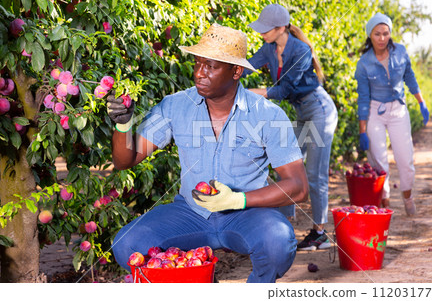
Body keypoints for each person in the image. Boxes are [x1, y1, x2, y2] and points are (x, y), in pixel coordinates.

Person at [107, 23, 309, 283]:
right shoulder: (176, 106)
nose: (199, 73)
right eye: (198, 63)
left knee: (277, 243)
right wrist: (123, 124)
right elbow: (126, 160)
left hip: (246, 214)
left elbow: (299, 187)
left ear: (236, 71)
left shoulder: (268, 115)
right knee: (127, 243)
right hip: (191, 213)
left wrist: (237, 200)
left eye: (211, 66)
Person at [243, 4, 338, 251]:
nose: (261, 33)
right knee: (285, 167)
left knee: (315, 174)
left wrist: (254, 93)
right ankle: (283, 228)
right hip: (300, 111)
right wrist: (227, 71)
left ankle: (320, 233)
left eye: (266, 29)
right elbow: (247, 65)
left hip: (319, 110)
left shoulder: (302, 50)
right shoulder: (269, 48)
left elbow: (284, 89)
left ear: (282, 27)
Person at [355, 13, 430, 215]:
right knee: (379, 162)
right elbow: (363, 98)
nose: (381, 38)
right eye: (377, 34)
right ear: (370, 35)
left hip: (398, 109)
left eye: (385, 33)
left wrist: (421, 102)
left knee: (405, 159)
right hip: (374, 111)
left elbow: (410, 78)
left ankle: (408, 198)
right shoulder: (364, 63)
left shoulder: (401, 53)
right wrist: (363, 130)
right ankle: (385, 206)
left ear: (390, 34)